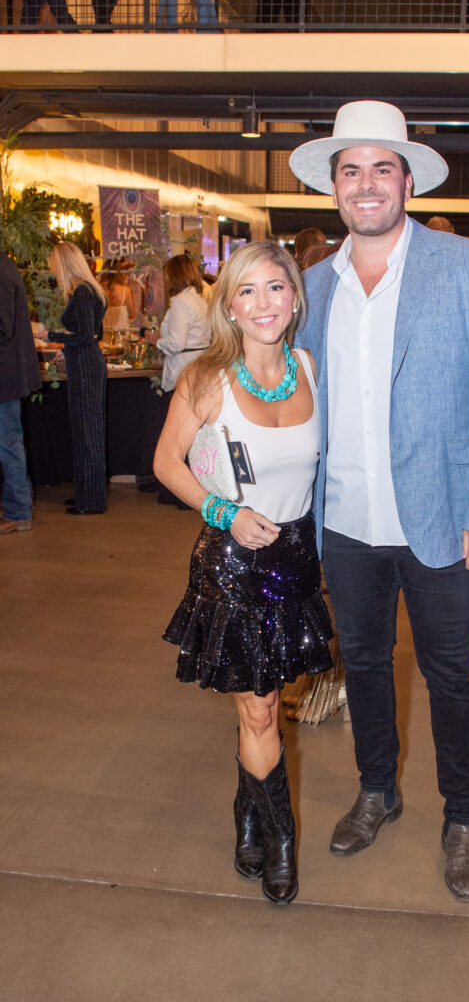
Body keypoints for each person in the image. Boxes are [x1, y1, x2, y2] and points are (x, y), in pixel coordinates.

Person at [288, 100, 469, 902]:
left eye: (380, 168)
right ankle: (376, 790)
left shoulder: (467, 266)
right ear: (334, 188)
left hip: (444, 517)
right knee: (361, 662)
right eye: (350, 170)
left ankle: (462, 817)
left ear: (405, 182)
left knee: (452, 673)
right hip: (345, 522)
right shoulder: (310, 287)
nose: (365, 184)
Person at [154, 241, 333, 905]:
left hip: (296, 561)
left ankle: (247, 813)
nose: (263, 304)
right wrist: (223, 510)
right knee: (260, 711)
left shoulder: (308, 367)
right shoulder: (206, 376)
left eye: (275, 289)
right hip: (232, 564)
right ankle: (282, 841)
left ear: (294, 297)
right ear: (229, 303)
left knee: (260, 705)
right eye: (247, 291)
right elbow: (167, 462)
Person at [43, 243, 108, 515]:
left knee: (87, 434)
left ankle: (90, 501)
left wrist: (52, 337)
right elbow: (95, 336)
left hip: (84, 367)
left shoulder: (81, 292)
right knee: (87, 431)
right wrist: (67, 347)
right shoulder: (91, 290)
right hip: (87, 362)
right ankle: (87, 495)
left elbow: (84, 337)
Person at [0, 252, 42, 535]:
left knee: (8, 443)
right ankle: (17, 506)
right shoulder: (5, 264)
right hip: (8, 373)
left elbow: (3, 326)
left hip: (5, 374)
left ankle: (18, 511)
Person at [144, 255, 210, 394]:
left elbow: (176, 344)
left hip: (183, 369)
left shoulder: (181, 302)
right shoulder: (199, 300)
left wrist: (157, 341)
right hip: (199, 366)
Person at [99, 258, 137, 329]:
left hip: (102, 336)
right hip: (121, 336)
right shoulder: (125, 291)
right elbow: (132, 315)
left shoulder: (96, 289)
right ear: (118, 272)